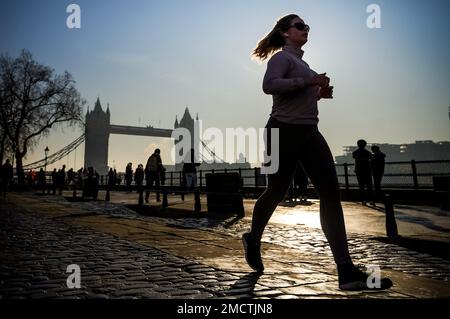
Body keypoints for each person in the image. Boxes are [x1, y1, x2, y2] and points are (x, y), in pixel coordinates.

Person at [242, 14, 392, 291]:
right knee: (276, 191)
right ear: (285, 32)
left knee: (331, 194)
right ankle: (253, 237)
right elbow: (269, 86)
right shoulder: (281, 58)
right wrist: (308, 83)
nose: (305, 29)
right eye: (300, 26)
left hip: (310, 132)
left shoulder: (304, 64)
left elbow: (300, 93)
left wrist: (320, 92)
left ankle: (346, 271)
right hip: (281, 131)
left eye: (307, 26)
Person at [352, 140, 375, 206]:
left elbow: (354, 157)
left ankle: (363, 200)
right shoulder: (368, 153)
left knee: (361, 186)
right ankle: (371, 200)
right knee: (369, 186)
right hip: (367, 171)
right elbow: (371, 159)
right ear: (365, 145)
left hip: (359, 171)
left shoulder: (355, 152)